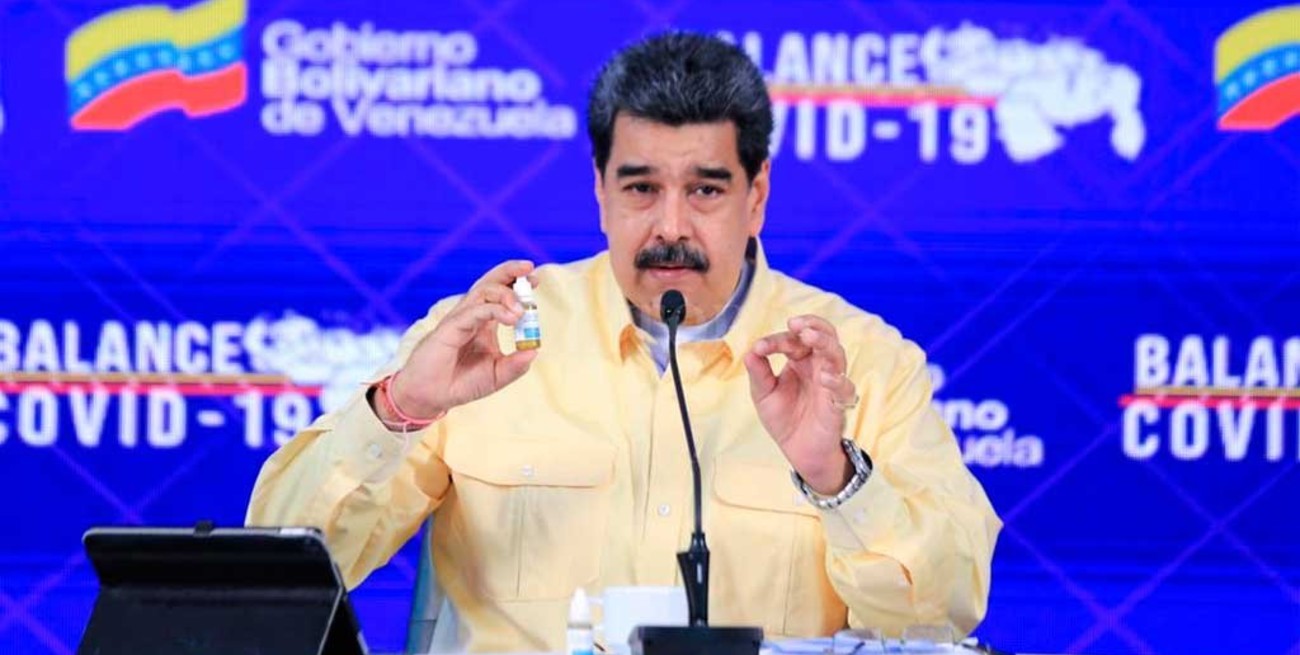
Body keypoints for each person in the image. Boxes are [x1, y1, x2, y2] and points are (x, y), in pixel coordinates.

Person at [246, 31, 1001, 653]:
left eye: (705, 190)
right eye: (641, 188)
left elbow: (944, 614)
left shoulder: (860, 362)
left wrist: (835, 477)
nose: (671, 225)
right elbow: (278, 575)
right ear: (600, 191)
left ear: (757, 196)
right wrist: (402, 406)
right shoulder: (492, 336)